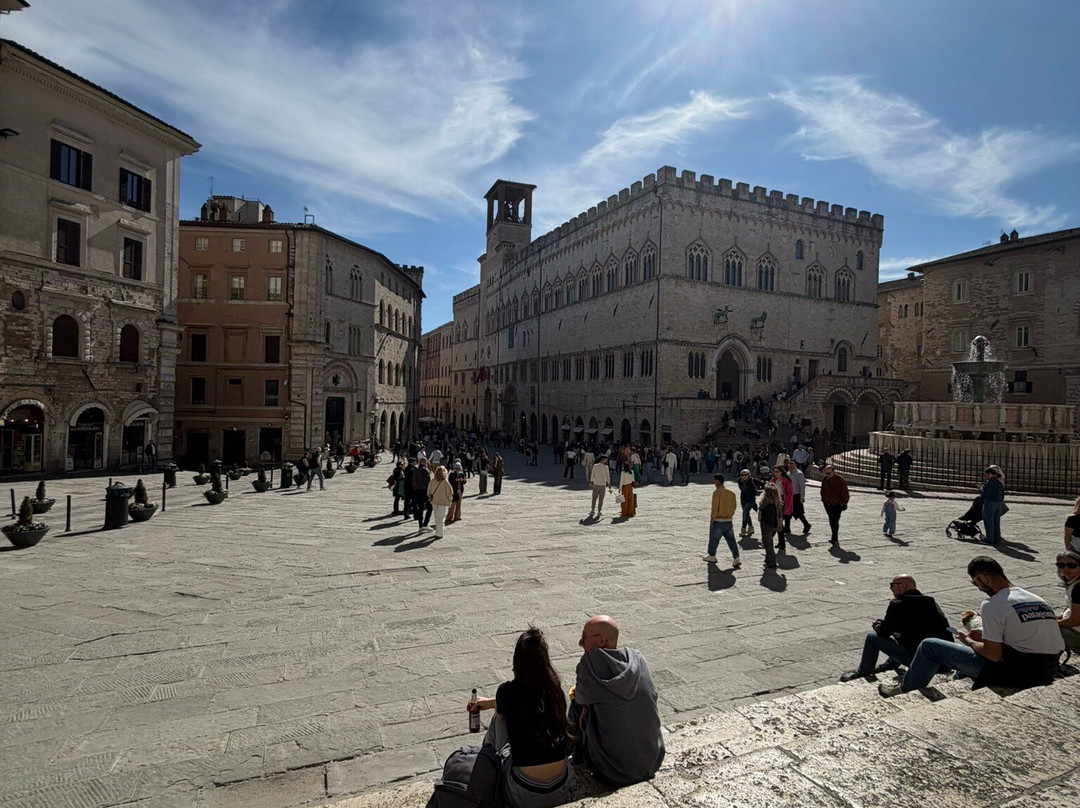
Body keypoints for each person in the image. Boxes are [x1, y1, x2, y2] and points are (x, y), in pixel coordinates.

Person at [879, 556, 1064, 697]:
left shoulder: (993, 603)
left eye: (976, 583)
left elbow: (993, 654)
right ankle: (957, 677)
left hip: (1018, 673)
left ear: (983, 578)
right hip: (1048, 669)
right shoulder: (1035, 598)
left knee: (930, 645)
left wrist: (967, 640)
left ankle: (905, 688)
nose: (978, 588)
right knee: (971, 652)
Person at [467, 628, 575, 807]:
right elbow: (529, 699)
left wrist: (494, 704)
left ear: (516, 660)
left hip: (523, 792)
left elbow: (513, 703)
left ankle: (485, 767)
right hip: (561, 787)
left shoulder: (506, 691)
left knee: (498, 719)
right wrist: (492, 702)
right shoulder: (555, 690)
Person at [567, 616, 664, 787]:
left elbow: (581, 699)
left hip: (611, 773)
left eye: (584, 637)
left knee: (576, 704)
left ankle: (573, 756)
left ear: (602, 641)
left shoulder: (589, 664)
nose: (580, 642)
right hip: (651, 763)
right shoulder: (638, 658)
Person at [839, 574, 953, 681]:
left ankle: (863, 672)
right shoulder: (930, 602)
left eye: (892, 585)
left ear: (903, 586)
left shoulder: (898, 604)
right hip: (943, 662)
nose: (890, 589)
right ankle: (889, 665)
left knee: (872, 637)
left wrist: (877, 625)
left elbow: (884, 632)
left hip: (921, 662)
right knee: (901, 636)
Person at [703, 474, 740, 569]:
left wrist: (712, 519)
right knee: (731, 540)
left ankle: (712, 556)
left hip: (718, 520)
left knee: (714, 540)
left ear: (718, 481)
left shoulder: (717, 493)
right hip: (728, 520)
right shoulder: (731, 493)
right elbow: (734, 506)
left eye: (714, 480)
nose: (713, 482)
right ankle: (736, 557)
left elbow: (714, 507)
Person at [1055, 550, 1080, 654]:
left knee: (1044, 631)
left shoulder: (1078, 588)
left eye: (1071, 565)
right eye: (1061, 565)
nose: (1065, 569)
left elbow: (1075, 620)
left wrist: (1053, 624)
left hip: (1077, 631)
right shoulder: (1073, 583)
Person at [820, 465, 849, 546]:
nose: (827, 475)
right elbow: (822, 490)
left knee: (835, 521)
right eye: (825, 473)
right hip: (827, 503)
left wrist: (842, 503)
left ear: (833, 471)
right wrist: (824, 500)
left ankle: (835, 538)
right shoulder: (825, 480)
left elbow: (845, 492)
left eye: (829, 473)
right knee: (831, 519)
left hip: (837, 504)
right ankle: (834, 537)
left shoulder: (840, 480)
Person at [758, 482, 783, 569]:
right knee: (769, 541)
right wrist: (780, 524)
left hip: (766, 525)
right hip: (775, 524)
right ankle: (768, 559)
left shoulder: (764, 502)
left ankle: (771, 562)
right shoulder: (777, 501)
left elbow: (759, 515)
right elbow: (780, 514)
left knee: (767, 543)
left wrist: (760, 521)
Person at [785, 459, 812, 534]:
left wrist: (802, 497)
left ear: (796, 465)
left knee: (798, 512)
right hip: (788, 496)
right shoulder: (788, 473)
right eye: (789, 463)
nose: (790, 465)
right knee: (787, 512)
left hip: (796, 495)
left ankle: (806, 525)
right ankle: (787, 528)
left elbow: (802, 486)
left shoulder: (799, 474)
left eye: (792, 463)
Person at [980, 467, 1005, 544]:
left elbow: (985, 493)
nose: (985, 476)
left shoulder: (990, 482)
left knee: (988, 520)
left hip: (990, 502)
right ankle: (996, 538)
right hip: (998, 502)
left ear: (990, 474)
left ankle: (989, 539)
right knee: (996, 521)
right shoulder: (998, 482)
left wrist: (980, 489)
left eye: (986, 475)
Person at [427, 465, 453, 538]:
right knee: (440, 517)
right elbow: (450, 492)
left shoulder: (432, 481)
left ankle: (439, 531)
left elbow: (428, 491)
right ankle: (439, 533)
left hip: (434, 501)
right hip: (442, 502)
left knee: (436, 517)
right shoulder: (445, 482)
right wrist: (449, 500)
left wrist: (431, 496)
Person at [737, 469, 760, 537]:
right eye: (742, 475)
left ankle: (743, 529)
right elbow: (742, 488)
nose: (744, 476)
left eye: (746, 475)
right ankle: (750, 528)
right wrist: (743, 482)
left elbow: (763, 484)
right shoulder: (739, 481)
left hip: (751, 500)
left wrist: (759, 492)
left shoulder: (753, 480)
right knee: (746, 513)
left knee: (745, 513)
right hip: (743, 499)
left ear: (749, 475)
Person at [413, 458, 433, 530]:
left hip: (418, 491)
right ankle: (425, 523)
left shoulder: (416, 470)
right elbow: (428, 482)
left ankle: (420, 525)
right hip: (425, 491)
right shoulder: (425, 470)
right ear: (424, 462)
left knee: (421, 508)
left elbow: (413, 482)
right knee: (430, 507)